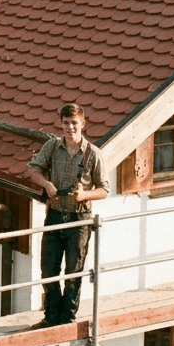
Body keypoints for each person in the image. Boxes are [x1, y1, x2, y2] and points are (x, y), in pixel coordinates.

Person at [27, 103, 107, 328]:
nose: (70, 127)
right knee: (48, 269)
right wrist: (46, 184)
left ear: (83, 123)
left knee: (74, 271)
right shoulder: (52, 147)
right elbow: (33, 170)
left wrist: (85, 195)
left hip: (79, 220)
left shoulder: (93, 154)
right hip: (54, 215)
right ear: (61, 123)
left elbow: (104, 189)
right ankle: (50, 317)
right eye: (66, 123)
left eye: (74, 123)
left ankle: (67, 319)